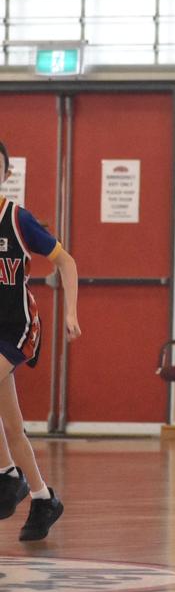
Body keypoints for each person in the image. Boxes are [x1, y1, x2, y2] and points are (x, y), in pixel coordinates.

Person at [0, 140, 80, 540]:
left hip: (17, 326)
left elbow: (66, 261)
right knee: (12, 426)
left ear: (6, 174)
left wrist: (70, 312)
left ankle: (6, 476)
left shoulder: (17, 218)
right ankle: (42, 496)